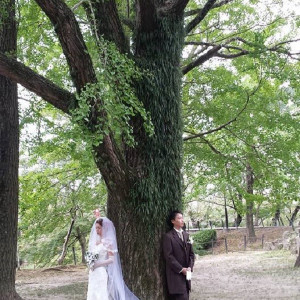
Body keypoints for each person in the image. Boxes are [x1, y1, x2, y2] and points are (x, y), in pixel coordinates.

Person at [86, 216, 139, 300]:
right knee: (92, 293)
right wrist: (90, 262)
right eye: (96, 228)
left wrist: (98, 264)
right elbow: (91, 256)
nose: (97, 230)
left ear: (104, 228)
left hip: (101, 272)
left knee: (101, 294)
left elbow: (112, 259)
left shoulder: (108, 242)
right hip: (93, 272)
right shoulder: (95, 242)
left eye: (99, 228)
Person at [163, 210, 195, 300]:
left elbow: (191, 254)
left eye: (182, 218)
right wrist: (181, 269)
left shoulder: (186, 235)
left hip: (187, 277)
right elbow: (168, 256)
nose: (182, 220)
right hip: (175, 277)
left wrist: (190, 267)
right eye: (179, 218)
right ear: (173, 221)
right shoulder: (168, 237)